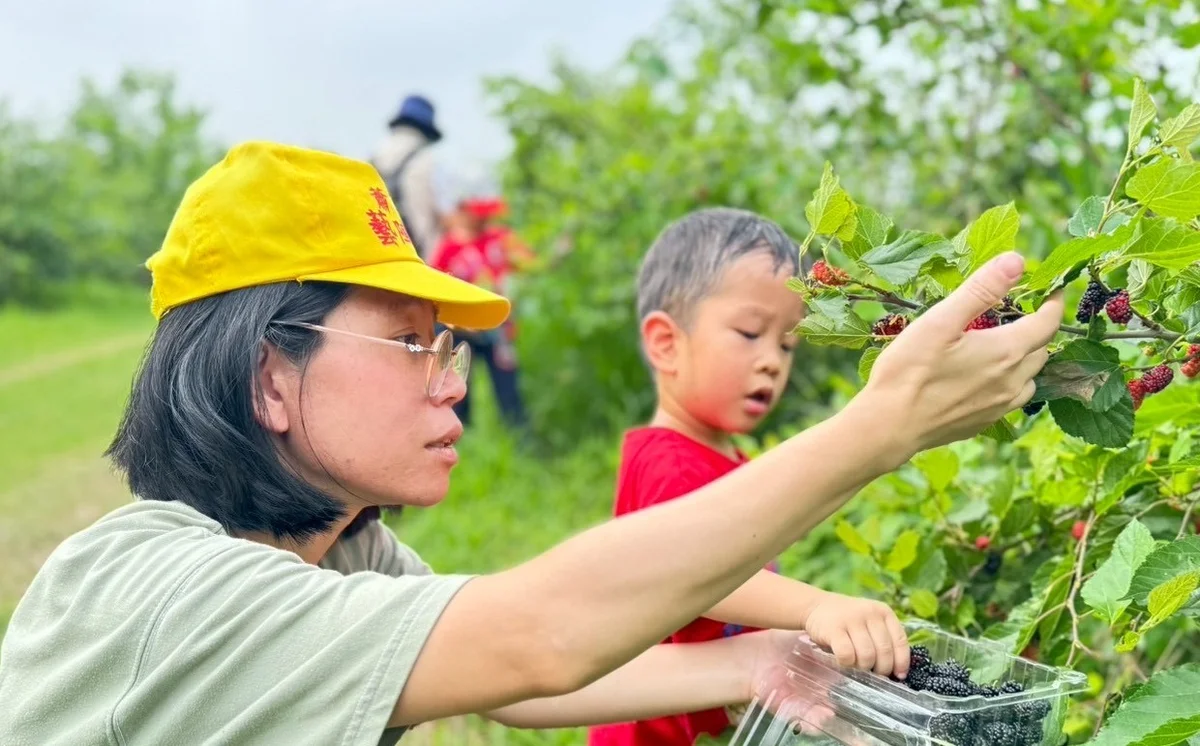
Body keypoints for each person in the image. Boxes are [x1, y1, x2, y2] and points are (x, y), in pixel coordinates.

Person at [0, 141, 1062, 746]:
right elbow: (536, 635)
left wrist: (763, 656)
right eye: (412, 344)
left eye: (448, 348)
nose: (450, 384)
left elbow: (512, 678)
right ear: (269, 375)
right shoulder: (172, 587)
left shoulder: (337, 550)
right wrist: (879, 428)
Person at [589, 207, 910, 746]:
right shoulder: (669, 461)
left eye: (786, 344)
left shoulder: (725, 460)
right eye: (749, 333)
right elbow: (693, 576)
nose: (772, 362)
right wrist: (815, 607)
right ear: (667, 343)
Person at [429, 195, 529, 427]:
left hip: (499, 328)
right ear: (464, 212)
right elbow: (435, 290)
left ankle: (521, 438)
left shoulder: (501, 239)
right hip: (462, 330)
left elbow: (530, 264)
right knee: (459, 389)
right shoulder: (450, 247)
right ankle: (459, 439)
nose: (485, 219)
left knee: (508, 387)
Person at [371, 94, 444, 260]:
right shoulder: (427, 161)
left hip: (379, 256)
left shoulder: (374, 157)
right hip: (420, 257)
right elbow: (445, 215)